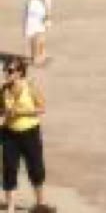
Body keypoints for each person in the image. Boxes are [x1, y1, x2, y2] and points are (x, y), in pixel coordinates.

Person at [0, 58, 51, 213]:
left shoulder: (30, 87)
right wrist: (4, 115)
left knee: (36, 168)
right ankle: (10, 207)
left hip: (30, 133)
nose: (6, 73)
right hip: (9, 133)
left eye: (10, 70)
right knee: (9, 168)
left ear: (20, 72)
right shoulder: (4, 89)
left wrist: (21, 112)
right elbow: (1, 110)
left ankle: (40, 203)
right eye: (5, 70)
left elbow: (42, 108)